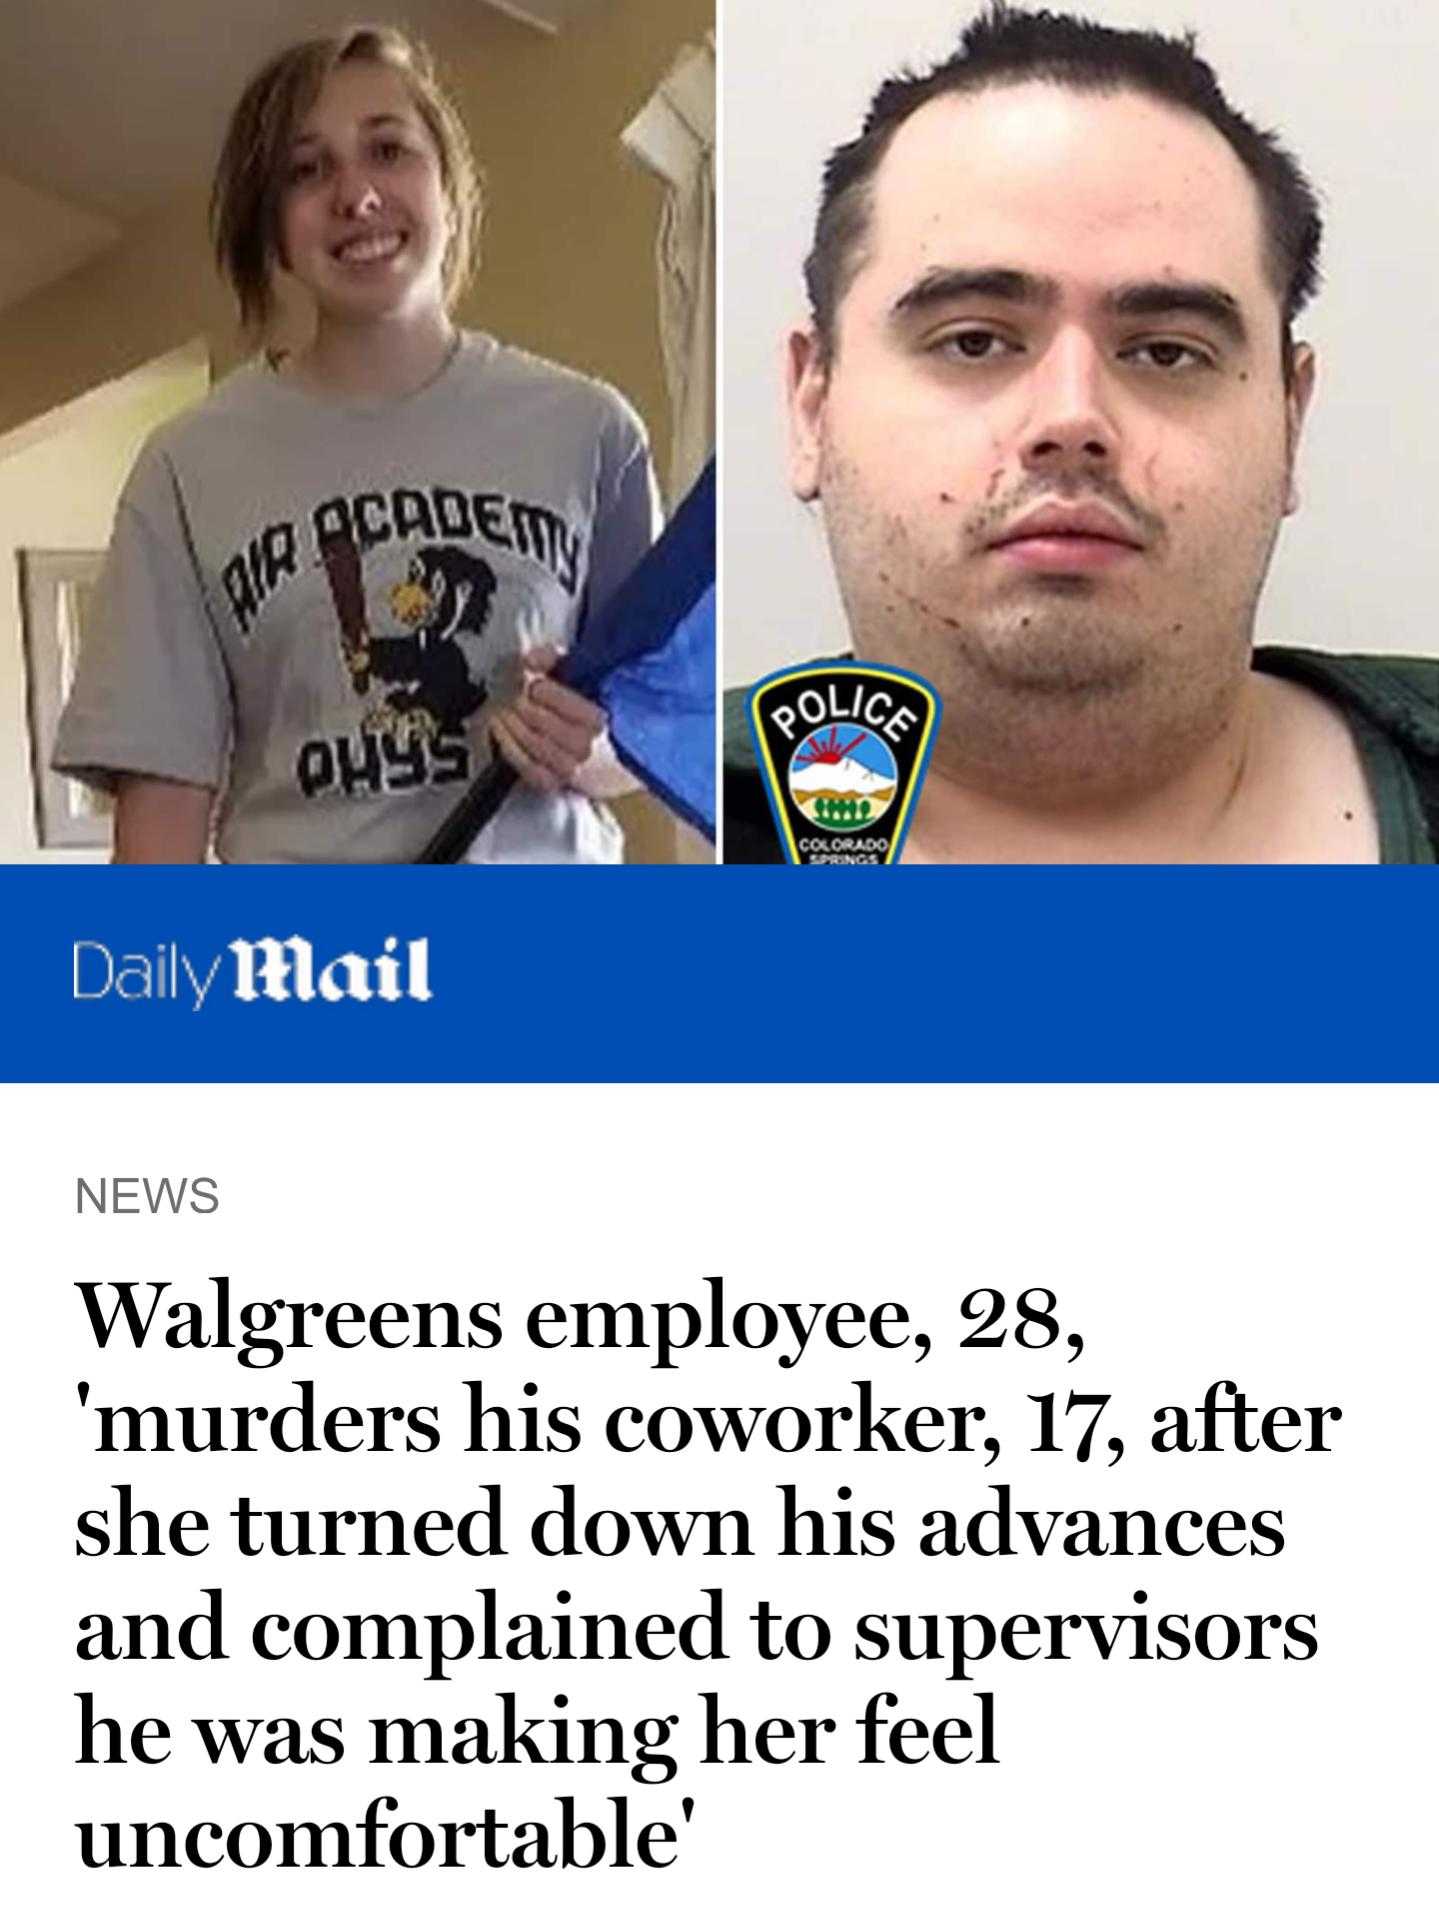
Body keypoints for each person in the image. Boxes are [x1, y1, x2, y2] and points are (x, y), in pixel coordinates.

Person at [723, 3, 1439, 863]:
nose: (1070, 417)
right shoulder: (693, 816)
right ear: (810, 403)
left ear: (1290, 420)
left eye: (1167, 352)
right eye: (974, 340)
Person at [54, 25, 660, 862]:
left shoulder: (591, 432)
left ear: (447, 181)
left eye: (388, 150)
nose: (357, 194)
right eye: (307, 170)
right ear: (269, 227)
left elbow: (651, 736)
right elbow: (162, 815)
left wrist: (581, 749)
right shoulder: (186, 470)